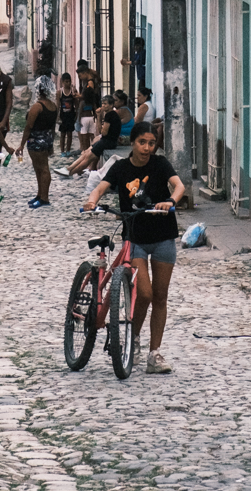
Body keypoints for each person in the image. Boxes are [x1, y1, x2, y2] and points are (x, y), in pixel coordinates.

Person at [83, 125, 184, 375]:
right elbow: (100, 187)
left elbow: (179, 186)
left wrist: (170, 201)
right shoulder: (120, 168)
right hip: (135, 238)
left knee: (160, 297)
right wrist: (92, 201)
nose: (147, 148)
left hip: (163, 237)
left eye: (151, 143)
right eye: (142, 142)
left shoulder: (160, 164)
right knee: (145, 294)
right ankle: (134, 337)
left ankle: (154, 353)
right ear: (133, 143)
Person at [16, 71, 60, 208]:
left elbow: (28, 127)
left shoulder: (37, 106)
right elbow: (53, 126)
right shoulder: (53, 106)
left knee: (42, 168)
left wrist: (21, 145)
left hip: (36, 140)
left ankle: (44, 197)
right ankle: (40, 194)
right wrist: (51, 143)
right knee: (39, 168)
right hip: (46, 139)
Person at [65, 89, 132, 178]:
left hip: (108, 142)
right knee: (87, 153)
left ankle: (70, 173)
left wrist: (99, 117)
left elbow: (103, 132)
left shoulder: (110, 115)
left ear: (111, 105)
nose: (103, 106)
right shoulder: (111, 114)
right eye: (102, 103)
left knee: (88, 158)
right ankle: (69, 168)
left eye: (105, 104)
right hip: (108, 141)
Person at [75, 61, 101, 153]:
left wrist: (80, 96)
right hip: (90, 112)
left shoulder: (90, 83)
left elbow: (90, 95)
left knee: (87, 138)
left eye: (80, 75)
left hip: (87, 112)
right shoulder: (91, 81)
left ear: (85, 73)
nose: (80, 78)